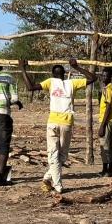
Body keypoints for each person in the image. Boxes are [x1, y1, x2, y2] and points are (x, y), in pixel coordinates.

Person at [19, 58, 96, 193]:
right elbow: (93, 78)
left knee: (56, 155)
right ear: (64, 73)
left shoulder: (51, 82)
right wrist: (77, 67)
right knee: (61, 155)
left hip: (54, 122)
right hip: (66, 123)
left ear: (53, 74)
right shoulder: (72, 83)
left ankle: (47, 177)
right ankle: (58, 185)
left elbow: (30, 87)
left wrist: (23, 68)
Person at [98, 67, 112, 177]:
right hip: (107, 120)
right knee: (107, 145)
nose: (104, 77)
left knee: (106, 146)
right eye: (103, 75)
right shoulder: (106, 89)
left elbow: (108, 107)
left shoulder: (109, 89)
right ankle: (106, 169)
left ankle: (107, 170)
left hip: (107, 121)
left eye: (106, 76)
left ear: (110, 77)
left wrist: (102, 125)